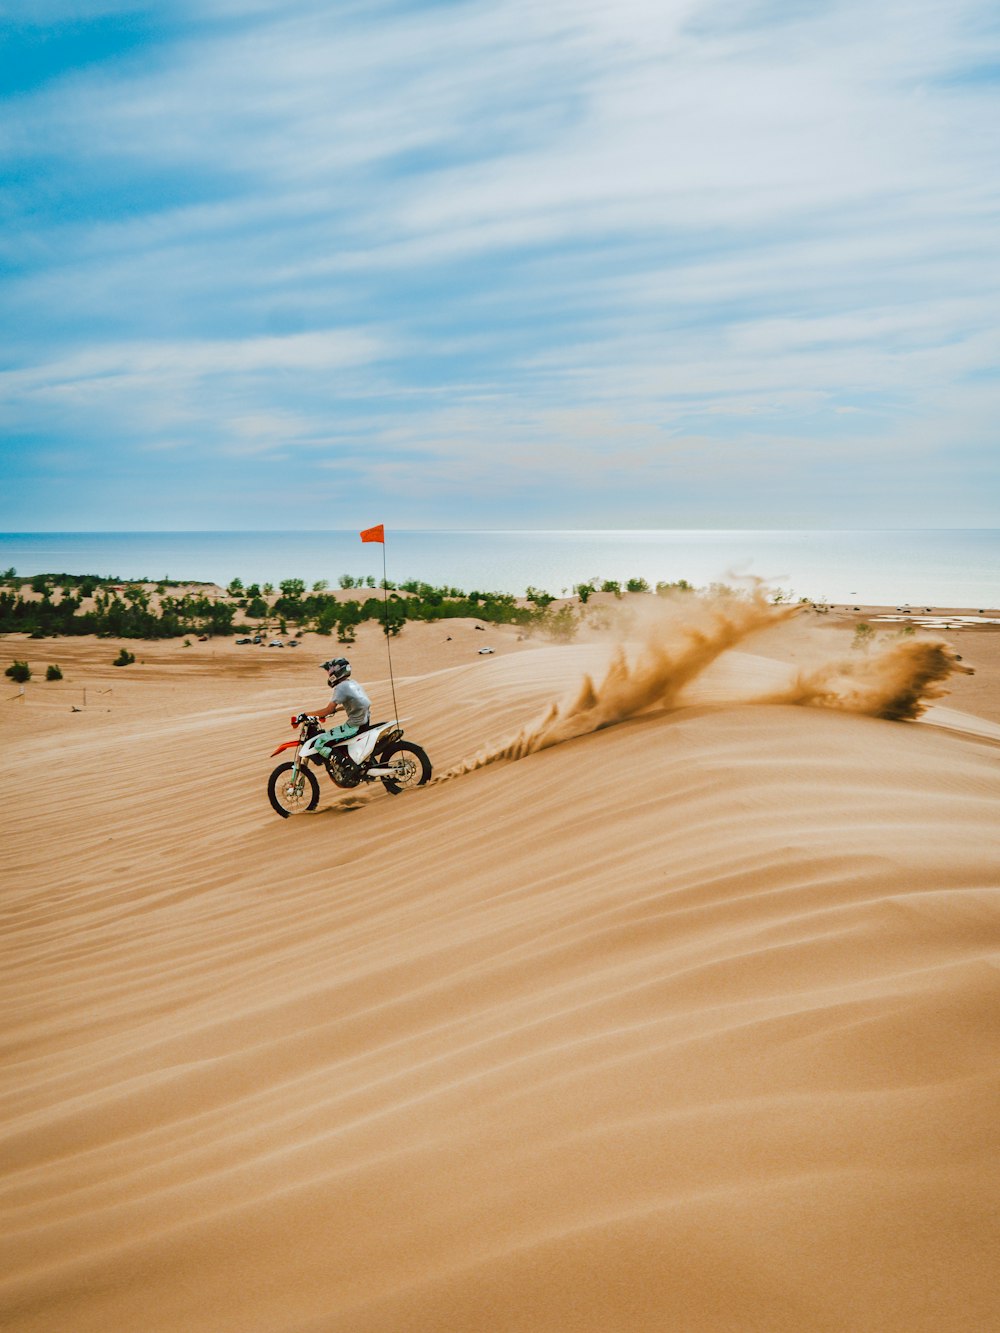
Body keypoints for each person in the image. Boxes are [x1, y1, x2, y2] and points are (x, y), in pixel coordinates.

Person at [311, 657, 371, 757]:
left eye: (329, 671)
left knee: (319, 743)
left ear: (336, 671)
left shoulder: (341, 687)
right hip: (364, 722)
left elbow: (327, 710)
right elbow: (358, 703)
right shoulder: (352, 683)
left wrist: (305, 714)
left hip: (354, 727)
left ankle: (341, 762)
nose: (329, 674)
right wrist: (337, 709)